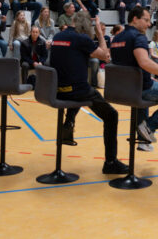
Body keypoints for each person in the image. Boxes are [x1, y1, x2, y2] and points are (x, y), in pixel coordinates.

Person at [47, 11, 128, 173]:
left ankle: (69, 121)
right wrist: (99, 32)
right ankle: (110, 162)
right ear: (86, 26)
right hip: (75, 91)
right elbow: (105, 56)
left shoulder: (58, 36)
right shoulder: (81, 38)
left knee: (80, 86)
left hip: (56, 90)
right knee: (111, 115)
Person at [110, 6, 158, 152]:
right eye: (146, 20)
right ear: (135, 19)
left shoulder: (117, 38)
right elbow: (144, 62)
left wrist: (149, 76)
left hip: (122, 89)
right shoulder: (138, 37)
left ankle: (143, 141)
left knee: (145, 94)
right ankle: (149, 127)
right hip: (140, 88)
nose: (149, 24)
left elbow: (129, 65)